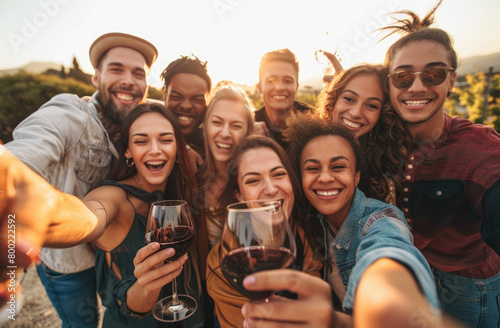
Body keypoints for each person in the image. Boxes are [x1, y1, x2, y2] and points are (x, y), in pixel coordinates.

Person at [5, 32, 158, 327]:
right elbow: (29, 150)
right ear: (95, 77)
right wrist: (10, 180)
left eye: (138, 73)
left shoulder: (136, 122)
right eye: (117, 69)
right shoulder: (73, 113)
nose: (128, 80)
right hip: (69, 263)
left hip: (112, 255)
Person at [240, 113, 443, 328]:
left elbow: (388, 251)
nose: (325, 177)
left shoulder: (381, 218)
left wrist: (392, 298)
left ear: (356, 176)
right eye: (312, 168)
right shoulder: (307, 216)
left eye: (338, 167)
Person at [380, 2, 500, 327]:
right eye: (403, 77)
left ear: (451, 81)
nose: (417, 86)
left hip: (469, 287)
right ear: (388, 86)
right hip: (419, 274)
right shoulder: (382, 138)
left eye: (433, 74)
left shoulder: (480, 150)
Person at [82, 103, 205, 327]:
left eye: (166, 140)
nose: (155, 149)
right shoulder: (115, 197)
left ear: (179, 148)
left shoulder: (182, 190)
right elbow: (91, 213)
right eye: (141, 141)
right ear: (127, 151)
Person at [206, 135, 322, 328]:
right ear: (239, 195)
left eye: (278, 174)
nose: (270, 189)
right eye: (253, 180)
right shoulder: (223, 268)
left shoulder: (308, 231)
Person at [315, 64, 412, 204]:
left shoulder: (382, 172)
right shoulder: (302, 150)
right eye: (349, 99)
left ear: (381, 114)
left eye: (371, 105)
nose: (355, 113)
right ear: (334, 99)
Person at [195, 83, 255, 249]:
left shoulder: (254, 185)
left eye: (236, 126)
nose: (225, 133)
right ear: (205, 125)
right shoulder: (191, 177)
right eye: (217, 122)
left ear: (248, 131)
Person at [253, 48, 313, 149]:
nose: (279, 87)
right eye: (271, 81)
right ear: (260, 87)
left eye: (288, 81)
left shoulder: (314, 122)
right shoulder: (250, 125)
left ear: (296, 87)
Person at [160, 55, 212, 170]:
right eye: (176, 97)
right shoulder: (144, 131)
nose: (186, 106)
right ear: (165, 96)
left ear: (208, 103)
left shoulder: (214, 144)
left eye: (197, 99)